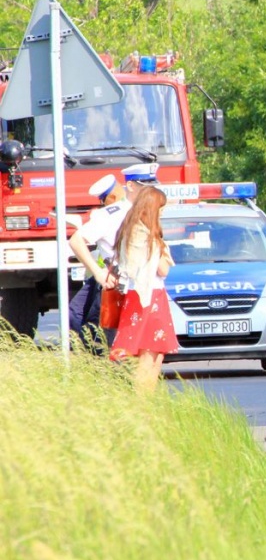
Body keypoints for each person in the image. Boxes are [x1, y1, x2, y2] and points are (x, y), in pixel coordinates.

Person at [67, 164, 161, 348]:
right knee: (100, 337)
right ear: (132, 186)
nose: (151, 192)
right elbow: (76, 241)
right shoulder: (113, 215)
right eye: (146, 187)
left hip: (141, 284)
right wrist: (97, 272)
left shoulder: (151, 211)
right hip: (117, 284)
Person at [110, 186, 179, 392]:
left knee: (150, 351)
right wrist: (163, 251)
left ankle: (144, 402)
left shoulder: (129, 230)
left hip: (136, 296)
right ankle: (144, 403)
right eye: (160, 209)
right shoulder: (147, 236)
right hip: (149, 296)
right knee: (150, 354)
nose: (162, 214)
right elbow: (163, 269)